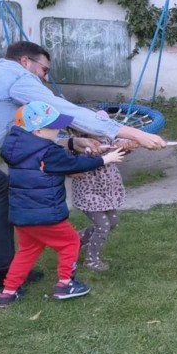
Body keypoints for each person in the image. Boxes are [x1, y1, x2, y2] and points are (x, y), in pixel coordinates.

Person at [0, 40, 166, 292]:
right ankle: (1, 272)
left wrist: (73, 142)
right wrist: (133, 133)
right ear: (25, 62)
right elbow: (62, 108)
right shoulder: (15, 77)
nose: (45, 78)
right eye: (44, 70)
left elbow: (26, 140)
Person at [0, 101, 126, 308]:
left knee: (27, 250)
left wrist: (77, 144)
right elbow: (75, 163)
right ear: (38, 131)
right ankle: (65, 284)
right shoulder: (48, 152)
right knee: (70, 242)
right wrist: (105, 159)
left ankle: (8, 292)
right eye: (53, 127)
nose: (58, 130)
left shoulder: (18, 148)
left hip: (22, 215)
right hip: (45, 214)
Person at [70, 112, 137, 272]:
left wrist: (127, 147)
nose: (102, 132)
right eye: (98, 129)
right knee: (103, 226)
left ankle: (77, 239)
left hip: (107, 191)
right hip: (89, 193)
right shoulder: (80, 145)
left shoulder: (108, 139)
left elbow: (119, 146)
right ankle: (91, 260)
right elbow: (70, 163)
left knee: (113, 222)